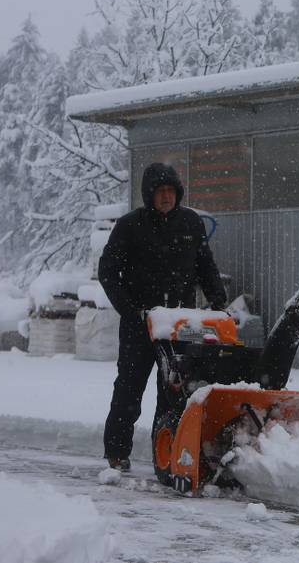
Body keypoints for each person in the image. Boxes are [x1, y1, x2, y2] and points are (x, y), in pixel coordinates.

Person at [99, 162, 226, 471]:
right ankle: (117, 453)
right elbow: (108, 274)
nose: (167, 197)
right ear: (149, 195)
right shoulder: (130, 226)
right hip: (140, 325)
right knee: (130, 388)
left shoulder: (190, 223)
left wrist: (218, 301)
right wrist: (131, 312)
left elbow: (205, 266)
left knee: (173, 392)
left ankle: (165, 456)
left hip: (180, 325)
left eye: (171, 191)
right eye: (161, 192)